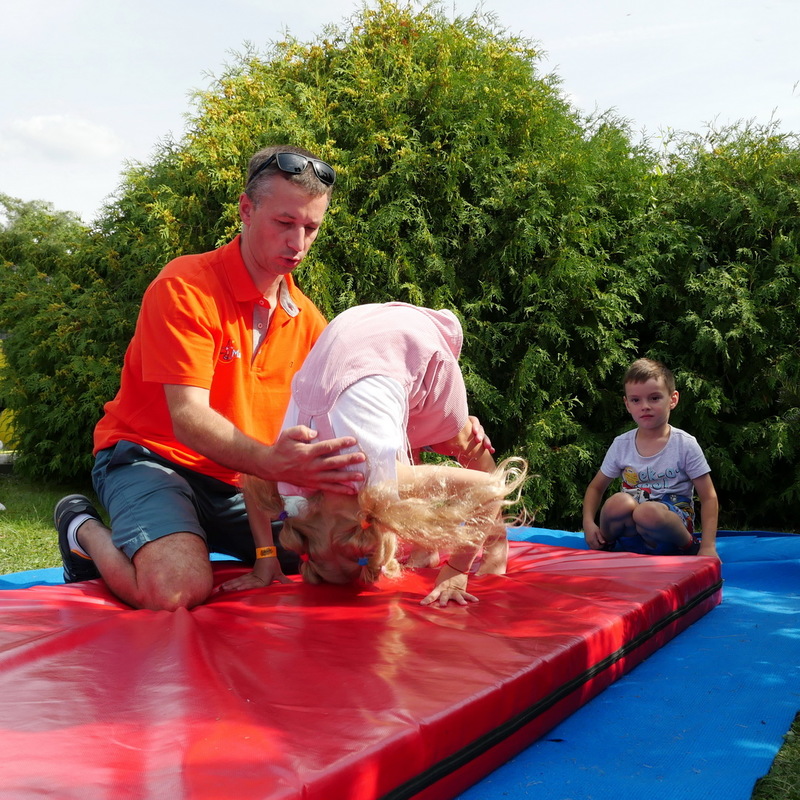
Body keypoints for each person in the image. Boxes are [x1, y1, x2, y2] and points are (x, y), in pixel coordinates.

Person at [53, 145, 368, 611]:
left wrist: (452, 430)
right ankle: (80, 528)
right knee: (175, 591)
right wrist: (275, 464)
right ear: (246, 209)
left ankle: (185, 537)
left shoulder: (310, 323)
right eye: (285, 223)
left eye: (311, 228)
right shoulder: (185, 287)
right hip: (153, 458)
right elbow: (188, 418)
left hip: (244, 484)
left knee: (339, 559)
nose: (298, 243)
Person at [220, 302, 527, 607]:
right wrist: (265, 555)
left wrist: (456, 571)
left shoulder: (379, 479)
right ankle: (427, 548)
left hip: (412, 341)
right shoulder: (292, 486)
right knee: (397, 441)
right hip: (352, 337)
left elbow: (489, 489)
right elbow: (254, 479)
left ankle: (497, 542)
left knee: (459, 441)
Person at [582, 357, 719, 559]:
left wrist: (708, 546)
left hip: (669, 526)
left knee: (647, 513)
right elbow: (595, 487)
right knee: (618, 502)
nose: (645, 406)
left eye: (654, 398)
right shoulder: (621, 444)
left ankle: (689, 546)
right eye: (636, 400)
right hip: (633, 533)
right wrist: (588, 523)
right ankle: (605, 545)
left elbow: (708, 497)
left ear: (672, 399)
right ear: (627, 404)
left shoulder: (685, 444)